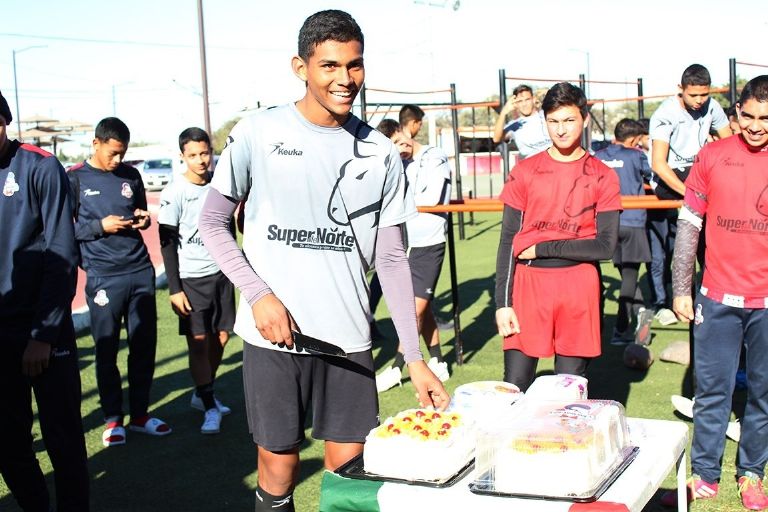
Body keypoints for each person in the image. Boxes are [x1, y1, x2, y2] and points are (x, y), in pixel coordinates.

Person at [198, 10, 449, 511]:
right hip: (273, 335)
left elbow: (393, 258)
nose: (345, 79)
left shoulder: (379, 151)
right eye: (330, 65)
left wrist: (413, 357)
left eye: (354, 66)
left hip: (348, 340)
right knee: (279, 469)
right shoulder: (258, 132)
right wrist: (259, 294)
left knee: (350, 479)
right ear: (301, 66)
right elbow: (212, 222)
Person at [663, 75, 768, 510]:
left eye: (766, 118)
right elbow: (689, 226)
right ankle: (705, 475)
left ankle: (752, 474)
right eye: (749, 116)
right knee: (712, 392)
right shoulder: (712, 155)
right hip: (717, 298)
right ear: (735, 113)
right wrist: (681, 287)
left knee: (763, 393)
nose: (757, 126)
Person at [495, 82, 620, 392]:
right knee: (514, 389)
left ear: (585, 118)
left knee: (569, 395)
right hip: (527, 289)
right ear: (544, 121)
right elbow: (509, 238)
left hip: (578, 289)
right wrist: (502, 303)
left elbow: (605, 246)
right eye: (553, 121)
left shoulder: (603, 175)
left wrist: (541, 248)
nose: (561, 130)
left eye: (569, 120)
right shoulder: (525, 171)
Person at [0, 90, 90, 510]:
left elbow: (61, 255)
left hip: (43, 331)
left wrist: (43, 335)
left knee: (63, 437)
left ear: (5, 120)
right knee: (9, 441)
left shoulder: (40, 166)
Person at [69, 117, 170, 446]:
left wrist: (141, 219)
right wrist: (100, 226)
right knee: (107, 348)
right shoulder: (74, 179)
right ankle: (114, 418)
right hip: (102, 277)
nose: (117, 160)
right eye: (112, 153)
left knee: (143, 345)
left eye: (122, 154)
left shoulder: (131, 174)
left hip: (139, 271)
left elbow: (139, 211)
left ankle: (140, 414)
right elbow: (61, 230)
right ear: (95, 144)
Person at [158, 127, 235, 435]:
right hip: (191, 280)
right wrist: (174, 288)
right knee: (199, 344)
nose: (201, 160)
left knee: (222, 338)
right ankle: (208, 404)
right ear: (182, 157)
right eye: (193, 155)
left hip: (221, 275)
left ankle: (203, 392)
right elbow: (166, 242)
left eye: (205, 153)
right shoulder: (174, 192)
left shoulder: (220, 185)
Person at [647, 64, 732, 325]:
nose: (699, 101)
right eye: (693, 95)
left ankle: (716, 288)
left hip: (698, 175)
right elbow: (658, 164)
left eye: (703, 95)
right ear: (680, 90)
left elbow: (729, 145)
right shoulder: (665, 114)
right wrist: (691, 193)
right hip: (672, 179)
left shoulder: (713, 107)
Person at [376, 122, 453, 392]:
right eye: (394, 146)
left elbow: (430, 198)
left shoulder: (434, 156)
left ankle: (398, 367)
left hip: (428, 242)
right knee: (423, 305)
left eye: (400, 140)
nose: (402, 147)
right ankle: (439, 361)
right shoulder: (398, 162)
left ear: (406, 131)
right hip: (405, 241)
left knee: (412, 310)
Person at [595, 119, 654, 345]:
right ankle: (620, 329)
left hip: (607, 223)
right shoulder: (635, 155)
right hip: (633, 221)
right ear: (632, 140)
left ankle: (641, 313)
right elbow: (652, 176)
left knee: (626, 275)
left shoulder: (598, 156)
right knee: (629, 275)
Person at [492, 84, 552, 159]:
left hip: (553, 163)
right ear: (516, 104)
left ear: (533, 99)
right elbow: (496, 139)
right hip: (531, 166)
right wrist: (504, 112)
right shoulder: (515, 125)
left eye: (527, 99)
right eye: (520, 101)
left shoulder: (547, 115)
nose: (524, 104)